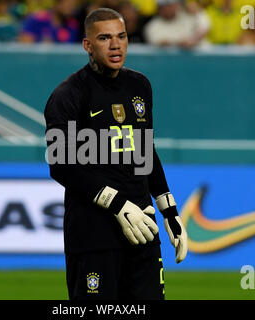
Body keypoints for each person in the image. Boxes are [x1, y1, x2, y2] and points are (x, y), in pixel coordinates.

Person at [44, 8, 188, 300]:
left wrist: (169, 210)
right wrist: (117, 203)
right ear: (87, 45)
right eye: (105, 38)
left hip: (142, 229)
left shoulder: (140, 86)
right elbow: (61, 165)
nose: (115, 45)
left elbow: (146, 150)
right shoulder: (68, 95)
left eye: (121, 36)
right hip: (93, 235)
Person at [143, 0, 210, 48]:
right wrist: (182, 43)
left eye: (170, 5)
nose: (167, 9)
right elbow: (161, 43)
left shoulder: (190, 14)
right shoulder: (152, 26)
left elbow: (205, 26)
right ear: (158, 8)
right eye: (163, 6)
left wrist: (194, 39)